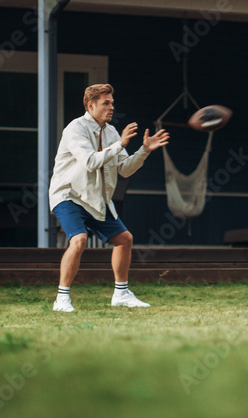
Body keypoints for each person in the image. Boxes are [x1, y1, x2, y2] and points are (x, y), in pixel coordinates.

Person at [49, 83, 169, 312]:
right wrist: (121, 144)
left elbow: (124, 169)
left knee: (124, 239)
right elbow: (90, 161)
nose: (111, 107)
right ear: (91, 105)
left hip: (96, 199)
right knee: (79, 239)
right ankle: (61, 299)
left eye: (112, 103)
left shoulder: (112, 132)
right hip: (69, 194)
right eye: (106, 103)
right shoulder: (75, 128)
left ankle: (121, 294)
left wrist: (143, 150)